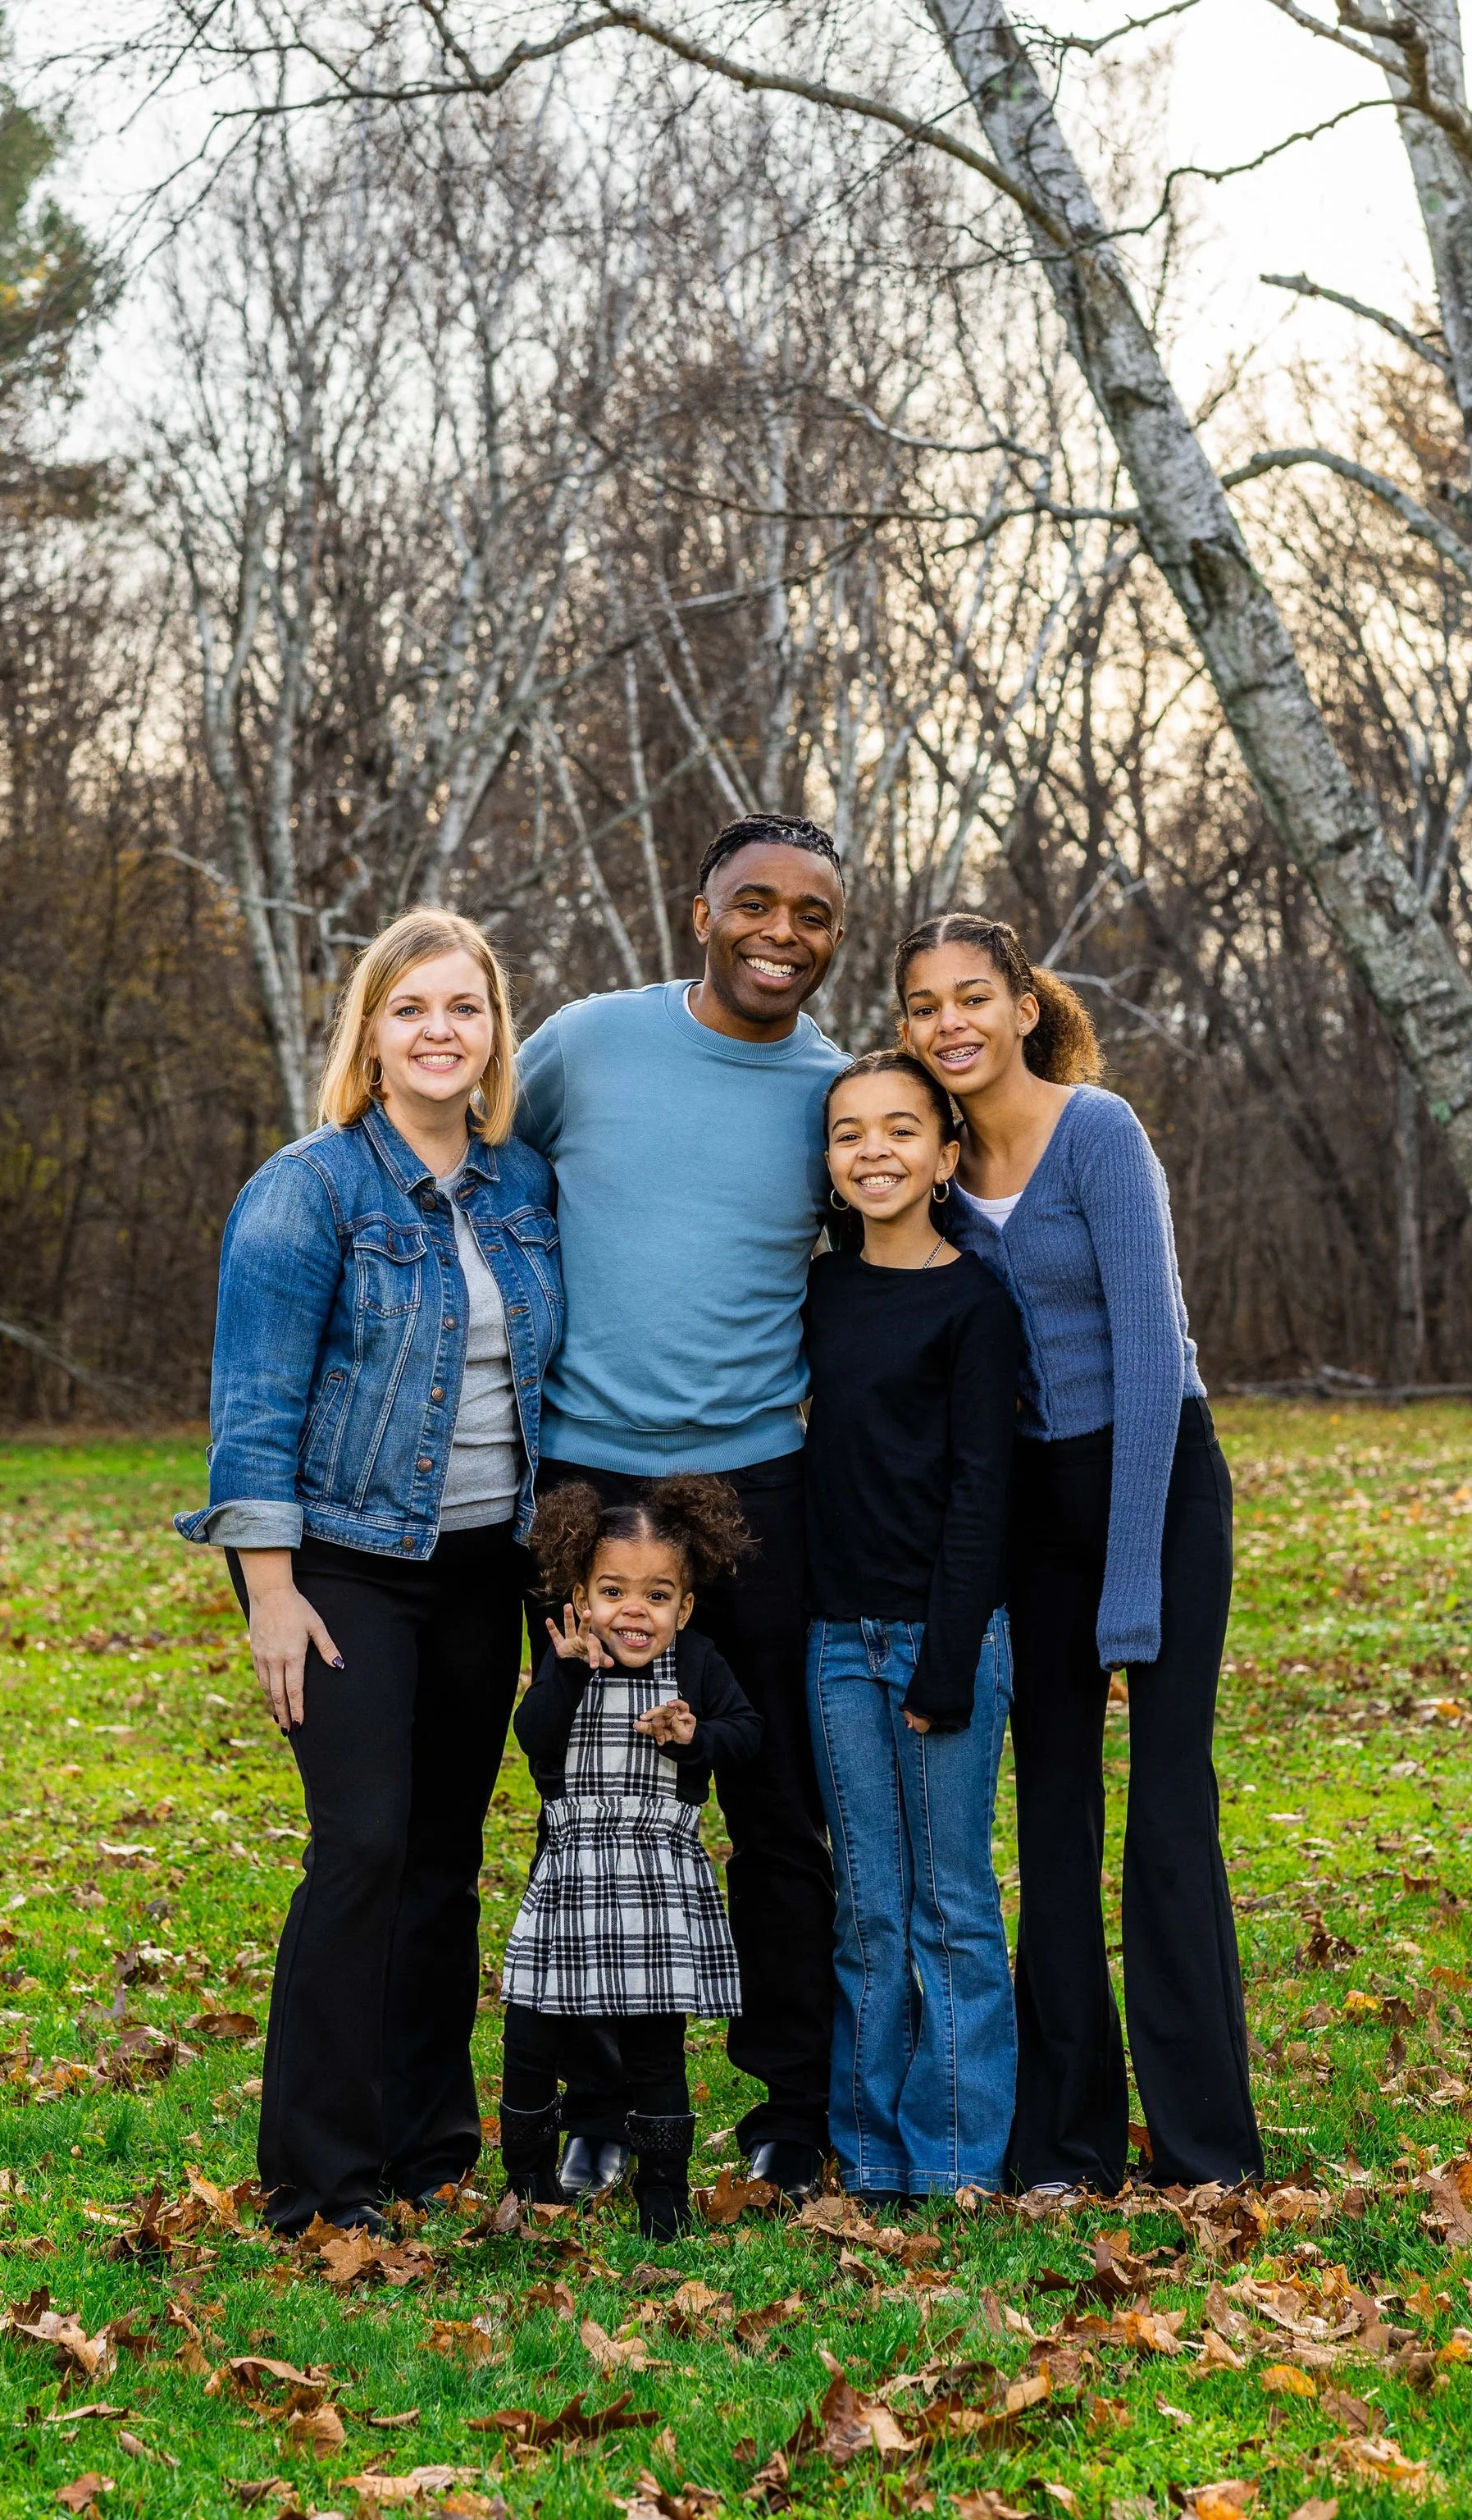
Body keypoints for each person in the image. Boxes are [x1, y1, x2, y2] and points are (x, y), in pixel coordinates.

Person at [175, 908, 563, 2235]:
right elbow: (255, 1405)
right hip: (342, 1563)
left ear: (494, 1030)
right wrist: (268, 1590)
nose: (440, 1031)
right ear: (371, 1035)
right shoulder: (309, 1187)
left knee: (445, 1857)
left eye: (463, 1007)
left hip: (479, 1567)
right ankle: (317, 2178)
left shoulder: (522, 1188)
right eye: (411, 1009)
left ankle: (423, 2145)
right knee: (363, 1846)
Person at [896, 911, 1263, 2195]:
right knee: (1051, 1817)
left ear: (1024, 1006)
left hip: (1155, 1482)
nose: (952, 1022)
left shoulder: (1099, 1133)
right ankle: (1067, 2141)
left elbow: (1156, 1356)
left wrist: (1129, 1595)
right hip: (1031, 1512)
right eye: (927, 1004)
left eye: (974, 996)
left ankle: (1207, 2146)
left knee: (1165, 1812)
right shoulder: (930, 1169)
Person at [513, 811, 845, 2202]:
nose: (781, 933)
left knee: (773, 1803)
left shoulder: (836, 1089)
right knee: (591, 1801)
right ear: (696, 908)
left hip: (754, 1485)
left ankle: (789, 2103)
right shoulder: (584, 1043)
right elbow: (485, 1170)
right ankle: (599, 2104)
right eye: (753, 902)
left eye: (813, 913)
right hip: (584, 1482)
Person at [803, 1050, 1022, 2202]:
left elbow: (986, 1491)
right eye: (849, 1133)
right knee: (869, 1914)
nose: (873, 1150)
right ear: (830, 1165)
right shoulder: (824, 1292)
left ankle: (954, 2157)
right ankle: (872, 2150)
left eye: (900, 1130)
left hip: (946, 1645)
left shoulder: (974, 1304)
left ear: (945, 1157)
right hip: (837, 1645)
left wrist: (946, 1656)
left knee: (953, 1911)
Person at [499, 1477, 761, 2236]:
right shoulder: (569, 1663)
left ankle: (664, 2197)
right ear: (579, 1595)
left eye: (657, 1595)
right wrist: (571, 1673)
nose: (634, 1611)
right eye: (613, 1590)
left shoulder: (699, 1667)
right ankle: (531, 2183)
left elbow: (748, 1735)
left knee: (655, 2048)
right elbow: (534, 1737)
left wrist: (696, 1737)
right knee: (532, 2031)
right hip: (572, 1877)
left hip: (657, 1885)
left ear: (684, 1607)